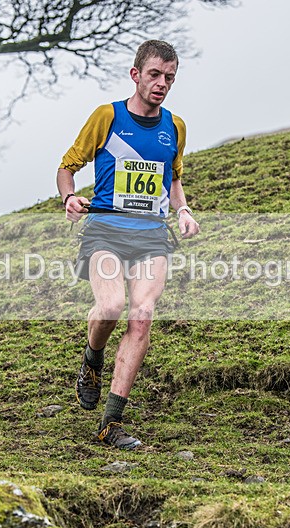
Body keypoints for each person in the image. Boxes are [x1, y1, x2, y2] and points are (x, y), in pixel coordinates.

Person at [56, 40, 200, 450]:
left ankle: (110, 423)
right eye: (154, 74)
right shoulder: (107, 117)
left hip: (152, 235)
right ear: (136, 74)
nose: (162, 84)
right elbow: (67, 168)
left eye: (169, 78)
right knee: (110, 307)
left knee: (142, 315)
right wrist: (69, 198)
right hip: (104, 230)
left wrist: (183, 209)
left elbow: (173, 178)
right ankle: (92, 357)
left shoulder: (176, 127)